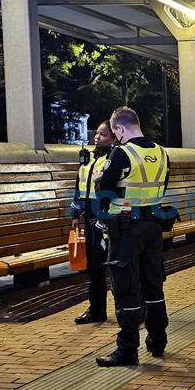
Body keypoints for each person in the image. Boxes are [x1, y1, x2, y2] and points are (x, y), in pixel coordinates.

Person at [95, 107, 170, 367]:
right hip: (152, 228)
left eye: (115, 132)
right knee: (154, 285)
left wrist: (97, 179)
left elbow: (104, 192)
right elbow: (163, 187)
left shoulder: (122, 153)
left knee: (126, 289)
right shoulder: (161, 152)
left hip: (126, 231)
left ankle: (127, 350)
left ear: (119, 129)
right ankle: (158, 340)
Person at [72, 121, 116, 325]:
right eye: (97, 134)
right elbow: (79, 187)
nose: (98, 137)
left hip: (108, 216)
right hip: (90, 216)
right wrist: (75, 214)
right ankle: (97, 309)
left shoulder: (115, 158)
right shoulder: (87, 158)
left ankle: (128, 308)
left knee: (115, 264)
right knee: (94, 265)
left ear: (114, 137)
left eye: (104, 134)